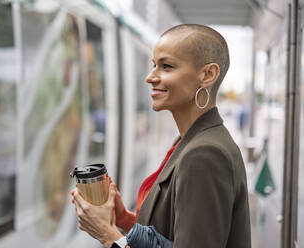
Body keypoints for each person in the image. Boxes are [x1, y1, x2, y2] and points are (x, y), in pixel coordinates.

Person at [71, 24, 251, 248]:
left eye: (166, 66)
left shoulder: (205, 154)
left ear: (207, 75)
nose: (150, 77)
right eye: (154, 65)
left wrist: (108, 236)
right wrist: (124, 219)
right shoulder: (191, 141)